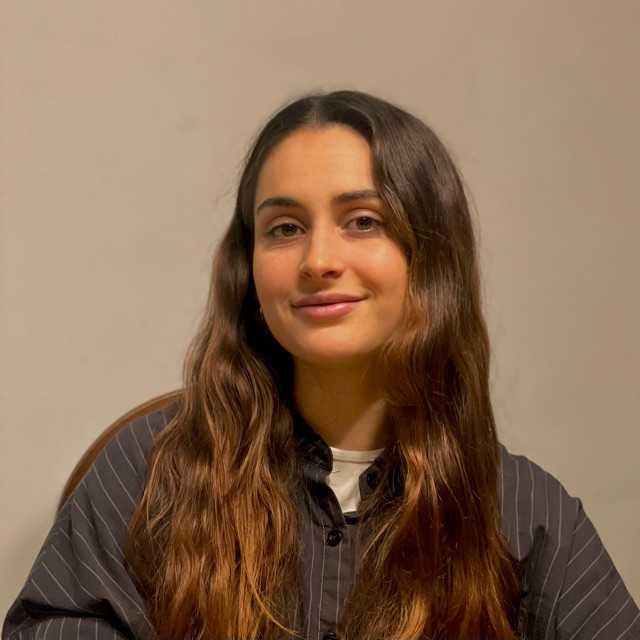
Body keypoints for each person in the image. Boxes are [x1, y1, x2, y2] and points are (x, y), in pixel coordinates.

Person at [3, 89, 639, 640]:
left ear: (431, 260)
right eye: (284, 228)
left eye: (363, 221)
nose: (318, 261)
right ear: (248, 270)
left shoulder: (526, 513)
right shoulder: (146, 470)